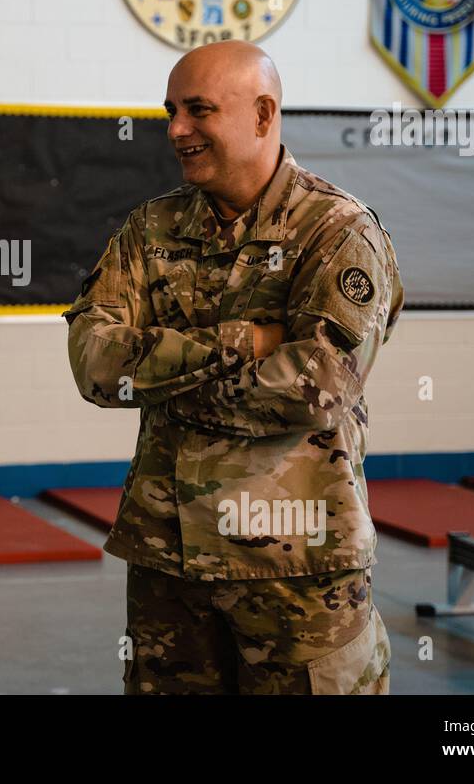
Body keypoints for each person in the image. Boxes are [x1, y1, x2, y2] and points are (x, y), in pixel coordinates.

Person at [65, 40, 403, 694]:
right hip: (170, 567)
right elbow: (96, 366)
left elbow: (320, 385)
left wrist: (166, 383)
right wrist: (246, 343)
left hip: (296, 573)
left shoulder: (336, 230)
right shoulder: (148, 230)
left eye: (198, 111)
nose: (176, 131)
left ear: (262, 113)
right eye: (171, 112)